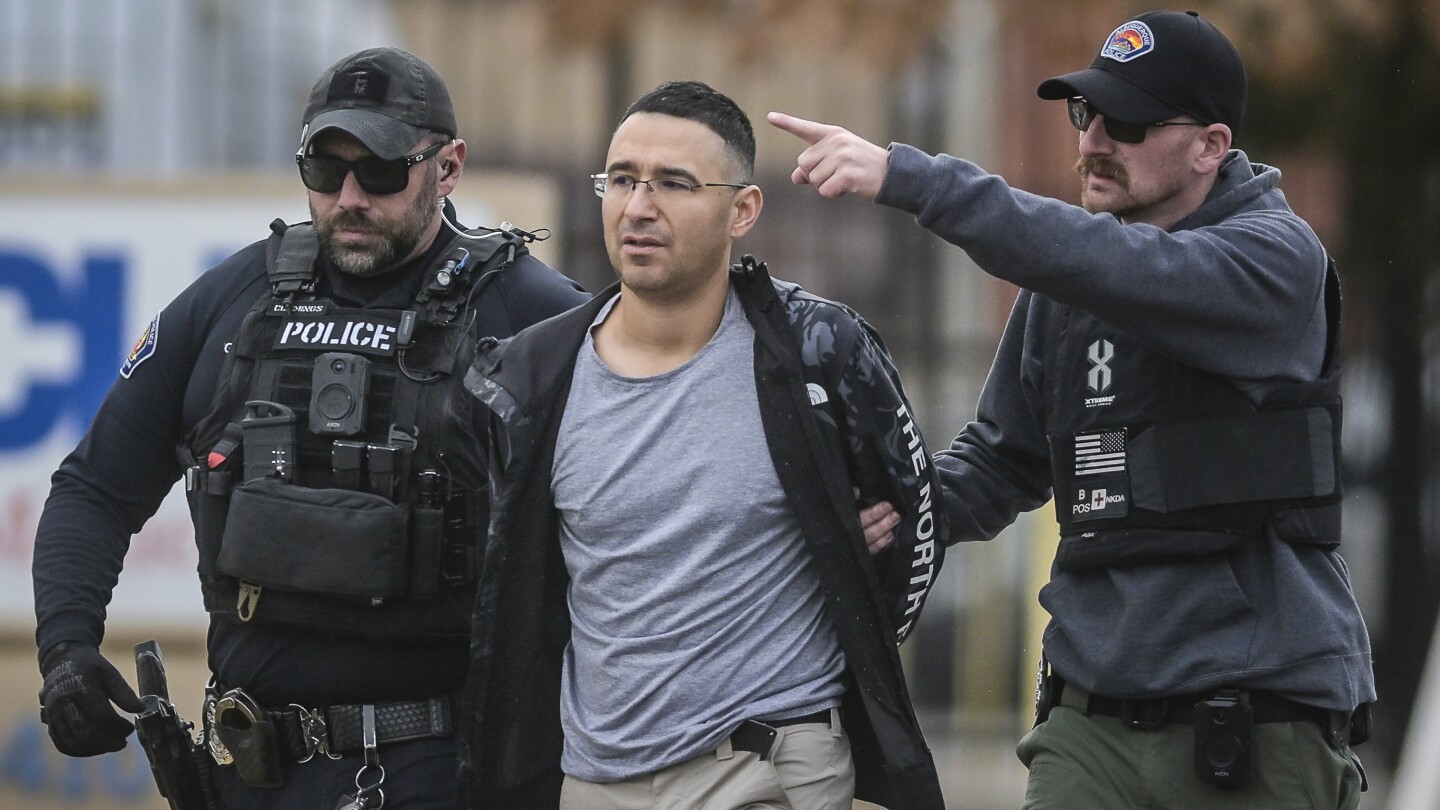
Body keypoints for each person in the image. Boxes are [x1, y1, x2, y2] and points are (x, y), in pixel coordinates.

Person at [771, 10, 1373, 809]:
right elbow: (1002, 459)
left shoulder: (1277, 258)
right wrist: (900, 505)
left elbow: (1132, 270)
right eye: (1085, 114)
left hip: (1255, 718)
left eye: (1127, 123)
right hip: (1088, 720)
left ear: (1211, 146)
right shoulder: (1067, 283)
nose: (1092, 142)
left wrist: (914, 181)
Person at [33, 46, 587, 808]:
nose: (349, 197)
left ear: (449, 168)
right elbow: (95, 487)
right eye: (325, 171)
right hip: (246, 772)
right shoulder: (235, 300)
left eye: (380, 171)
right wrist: (66, 644)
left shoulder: (531, 315)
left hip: (438, 773)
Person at [456, 80, 947, 810]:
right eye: (622, 179)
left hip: (766, 765)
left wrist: (853, 612)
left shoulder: (817, 351)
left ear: (742, 210)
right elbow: (516, 588)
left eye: (674, 183)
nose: (638, 206)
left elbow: (911, 522)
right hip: (594, 779)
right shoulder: (534, 373)